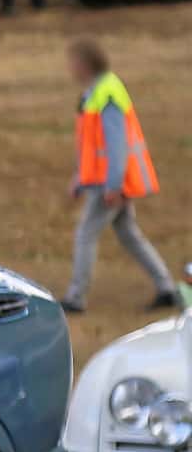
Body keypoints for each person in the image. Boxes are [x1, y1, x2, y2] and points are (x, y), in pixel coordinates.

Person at [62, 38, 175, 314]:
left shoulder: (107, 93)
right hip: (107, 182)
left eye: (73, 62)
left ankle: (76, 298)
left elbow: (116, 144)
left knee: (85, 234)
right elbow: (92, 145)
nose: (70, 68)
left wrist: (113, 185)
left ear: (85, 64)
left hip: (110, 185)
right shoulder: (97, 91)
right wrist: (80, 178)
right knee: (128, 235)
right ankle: (166, 287)